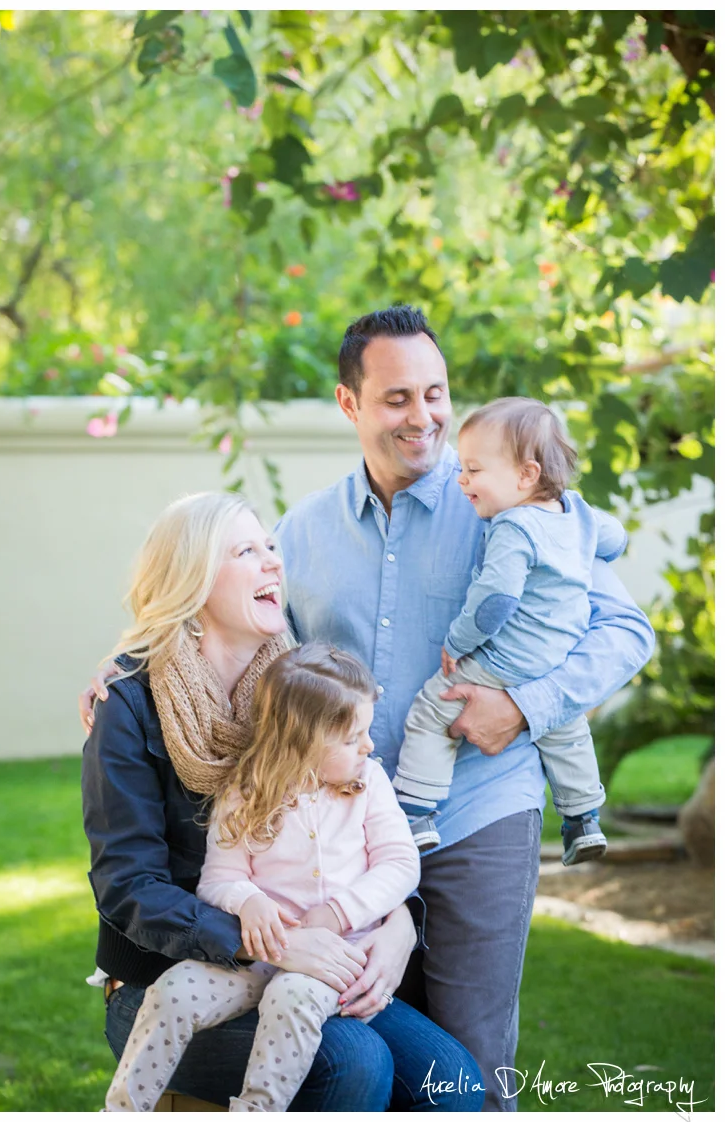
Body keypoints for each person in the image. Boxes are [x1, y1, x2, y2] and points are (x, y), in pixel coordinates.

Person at [271, 306, 652, 1108]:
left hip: (482, 811)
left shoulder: (511, 506)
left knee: (468, 1064)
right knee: (360, 1049)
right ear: (350, 404)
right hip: (348, 835)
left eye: (436, 394)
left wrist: (522, 705)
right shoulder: (300, 534)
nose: (425, 416)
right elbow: (242, 644)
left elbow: (625, 629)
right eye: (399, 398)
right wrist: (122, 668)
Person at [83, 492, 482, 1111]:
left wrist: (399, 926)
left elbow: (370, 836)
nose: (273, 562)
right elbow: (128, 885)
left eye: (272, 546)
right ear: (192, 580)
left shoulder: (302, 687)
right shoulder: (132, 703)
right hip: (168, 976)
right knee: (354, 1063)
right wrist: (267, 939)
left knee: (453, 1081)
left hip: (320, 954)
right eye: (246, 550)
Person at [105, 641, 421, 1112]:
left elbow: (401, 864)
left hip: (337, 958)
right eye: (354, 737)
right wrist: (248, 901)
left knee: (292, 999)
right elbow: (218, 879)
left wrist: (338, 913)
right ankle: (123, 1107)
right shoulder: (245, 793)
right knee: (174, 990)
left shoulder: (368, 785)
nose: (369, 746)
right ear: (305, 739)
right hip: (259, 957)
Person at [395, 397, 626, 863]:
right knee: (564, 731)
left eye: (474, 471)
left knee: (432, 711)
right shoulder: (576, 513)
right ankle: (583, 820)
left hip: (507, 659)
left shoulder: (514, 528)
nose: (462, 480)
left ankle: (416, 812)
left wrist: (456, 643)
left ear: (525, 475)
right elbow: (615, 537)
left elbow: (495, 601)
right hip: (556, 656)